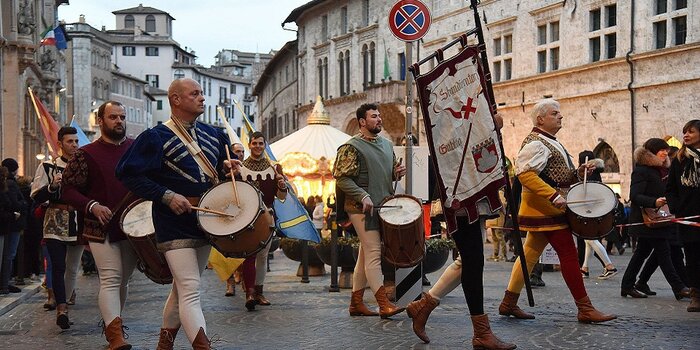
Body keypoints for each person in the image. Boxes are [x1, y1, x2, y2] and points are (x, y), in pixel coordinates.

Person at [117, 78, 239, 349]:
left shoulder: (213, 135)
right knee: (190, 289)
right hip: (173, 221)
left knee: (181, 288)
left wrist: (227, 167)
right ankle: (202, 345)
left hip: (206, 220)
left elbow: (215, 171)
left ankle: (165, 344)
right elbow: (127, 174)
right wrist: (166, 195)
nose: (202, 98)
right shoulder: (155, 137)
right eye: (194, 94)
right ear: (176, 99)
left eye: (201, 93)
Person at [498, 99, 615, 323]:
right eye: (554, 113)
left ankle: (508, 303)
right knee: (569, 255)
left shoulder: (550, 142)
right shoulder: (536, 143)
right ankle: (585, 308)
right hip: (546, 208)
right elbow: (526, 175)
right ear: (540, 119)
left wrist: (578, 173)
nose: (560, 116)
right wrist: (553, 196)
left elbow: (557, 176)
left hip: (546, 207)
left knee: (530, 254)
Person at [406, 112, 516, 349]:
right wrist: (489, 128)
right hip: (459, 196)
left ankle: (424, 306)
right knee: (473, 261)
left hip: (473, 193)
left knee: (469, 260)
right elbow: (458, 146)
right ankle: (481, 332)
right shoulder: (448, 118)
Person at [61, 101, 138, 350]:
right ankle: (115, 337)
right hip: (100, 225)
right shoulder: (86, 153)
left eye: (122, 117)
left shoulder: (136, 149)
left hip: (132, 225)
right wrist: (92, 205)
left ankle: (114, 324)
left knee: (124, 280)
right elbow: (67, 189)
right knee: (111, 278)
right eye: (113, 117)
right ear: (100, 121)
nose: (119, 121)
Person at [334, 103, 406, 320]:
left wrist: (396, 173)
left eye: (379, 115)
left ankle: (356, 303)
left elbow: (387, 174)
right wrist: (362, 195)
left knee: (366, 254)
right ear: (362, 122)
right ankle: (384, 304)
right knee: (374, 252)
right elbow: (342, 177)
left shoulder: (386, 144)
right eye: (374, 116)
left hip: (381, 206)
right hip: (360, 208)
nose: (379, 119)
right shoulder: (351, 147)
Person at [620, 138, 691, 300]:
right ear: (652, 151)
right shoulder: (642, 170)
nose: (665, 153)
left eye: (666, 150)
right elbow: (635, 196)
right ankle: (679, 287)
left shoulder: (663, 169)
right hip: (647, 220)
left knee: (640, 254)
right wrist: (654, 201)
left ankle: (627, 285)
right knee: (663, 253)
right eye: (662, 150)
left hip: (660, 219)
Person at [30, 126, 84, 329]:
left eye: (76, 141)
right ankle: (62, 307)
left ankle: (66, 300)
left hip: (78, 221)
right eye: (70, 141)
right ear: (60, 144)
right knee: (58, 266)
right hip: (55, 221)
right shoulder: (47, 166)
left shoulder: (83, 166)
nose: (75, 145)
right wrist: (52, 187)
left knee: (72, 268)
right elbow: (35, 196)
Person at [237, 131, 287, 310]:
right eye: (254, 143)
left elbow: (281, 197)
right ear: (249, 145)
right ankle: (249, 292)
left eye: (260, 143)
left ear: (265, 145)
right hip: (247, 218)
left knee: (263, 256)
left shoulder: (275, 167)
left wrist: (282, 186)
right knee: (248, 255)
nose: (257, 146)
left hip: (267, 215)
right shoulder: (240, 168)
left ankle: (259, 291)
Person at [666, 119, 700, 312]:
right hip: (688, 217)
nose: (686, 135)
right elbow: (670, 188)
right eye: (684, 132)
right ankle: (696, 295)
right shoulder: (680, 160)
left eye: (691, 132)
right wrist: (677, 207)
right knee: (692, 256)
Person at [0, 158, 28, 295]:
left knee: (9, 254)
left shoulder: (9, 183)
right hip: (12, 224)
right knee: (9, 254)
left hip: (11, 223)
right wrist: (23, 205)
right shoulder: (11, 184)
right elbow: (16, 203)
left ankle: (6, 282)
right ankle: (5, 284)